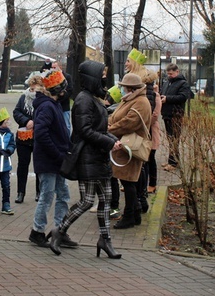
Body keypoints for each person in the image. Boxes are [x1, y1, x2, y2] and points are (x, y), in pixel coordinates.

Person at [47, 61, 122, 258]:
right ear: (93, 77)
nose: (104, 77)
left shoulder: (93, 98)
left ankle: (105, 240)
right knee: (87, 201)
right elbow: (85, 131)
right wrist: (108, 142)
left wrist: (114, 141)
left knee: (106, 200)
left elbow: (100, 129)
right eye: (102, 74)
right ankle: (59, 230)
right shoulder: (83, 100)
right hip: (87, 157)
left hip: (99, 157)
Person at [28, 70, 76, 248]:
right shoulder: (48, 106)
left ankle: (60, 230)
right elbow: (41, 134)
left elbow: (59, 133)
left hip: (57, 159)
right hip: (49, 161)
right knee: (47, 196)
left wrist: (67, 149)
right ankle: (37, 231)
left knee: (63, 194)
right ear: (59, 90)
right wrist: (57, 153)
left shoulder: (53, 105)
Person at [107, 73, 152, 230]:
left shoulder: (140, 102)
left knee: (128, 182)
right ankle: (135, 213)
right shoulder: (133, 100)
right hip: (125, 146)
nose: (122, 90)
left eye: (124, 87)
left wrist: (109, 130)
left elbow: (128, 123)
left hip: (130, 147)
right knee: (128, 181)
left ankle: (129, 216)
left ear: (131, 88)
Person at [13, 73, 44, 203]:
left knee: (39, 165)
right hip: (24, 137)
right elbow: (16, 112)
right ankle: (21, 192)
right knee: (22, 165)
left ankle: (39, 192)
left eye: (35, 89)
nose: (32, 91)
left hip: (38, 137)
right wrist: (26, 121)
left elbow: (46, 115)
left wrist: (35, 122)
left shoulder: (43, 100)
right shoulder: (23, 98)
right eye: (31, 88)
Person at [160, 63, 192, 169]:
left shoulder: (183, 84)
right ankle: (173, 160)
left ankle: (173, 163)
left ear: (177, 72)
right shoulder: (166, 83)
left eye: (171, 74)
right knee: (170, 139)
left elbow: (183, 97)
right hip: (166, 114)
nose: (169, 76)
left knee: (174, 138)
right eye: (168, 74)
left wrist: (167, 99)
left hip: (176, 114)